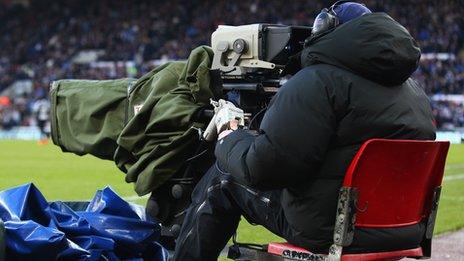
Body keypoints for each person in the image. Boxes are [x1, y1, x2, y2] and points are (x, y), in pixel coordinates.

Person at [173, 1, 436, 260]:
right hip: (405, 228)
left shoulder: (318, 83)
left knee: (223, 175)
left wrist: (230, 135)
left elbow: (262, 169)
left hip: (331, 229)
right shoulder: (415, 92)